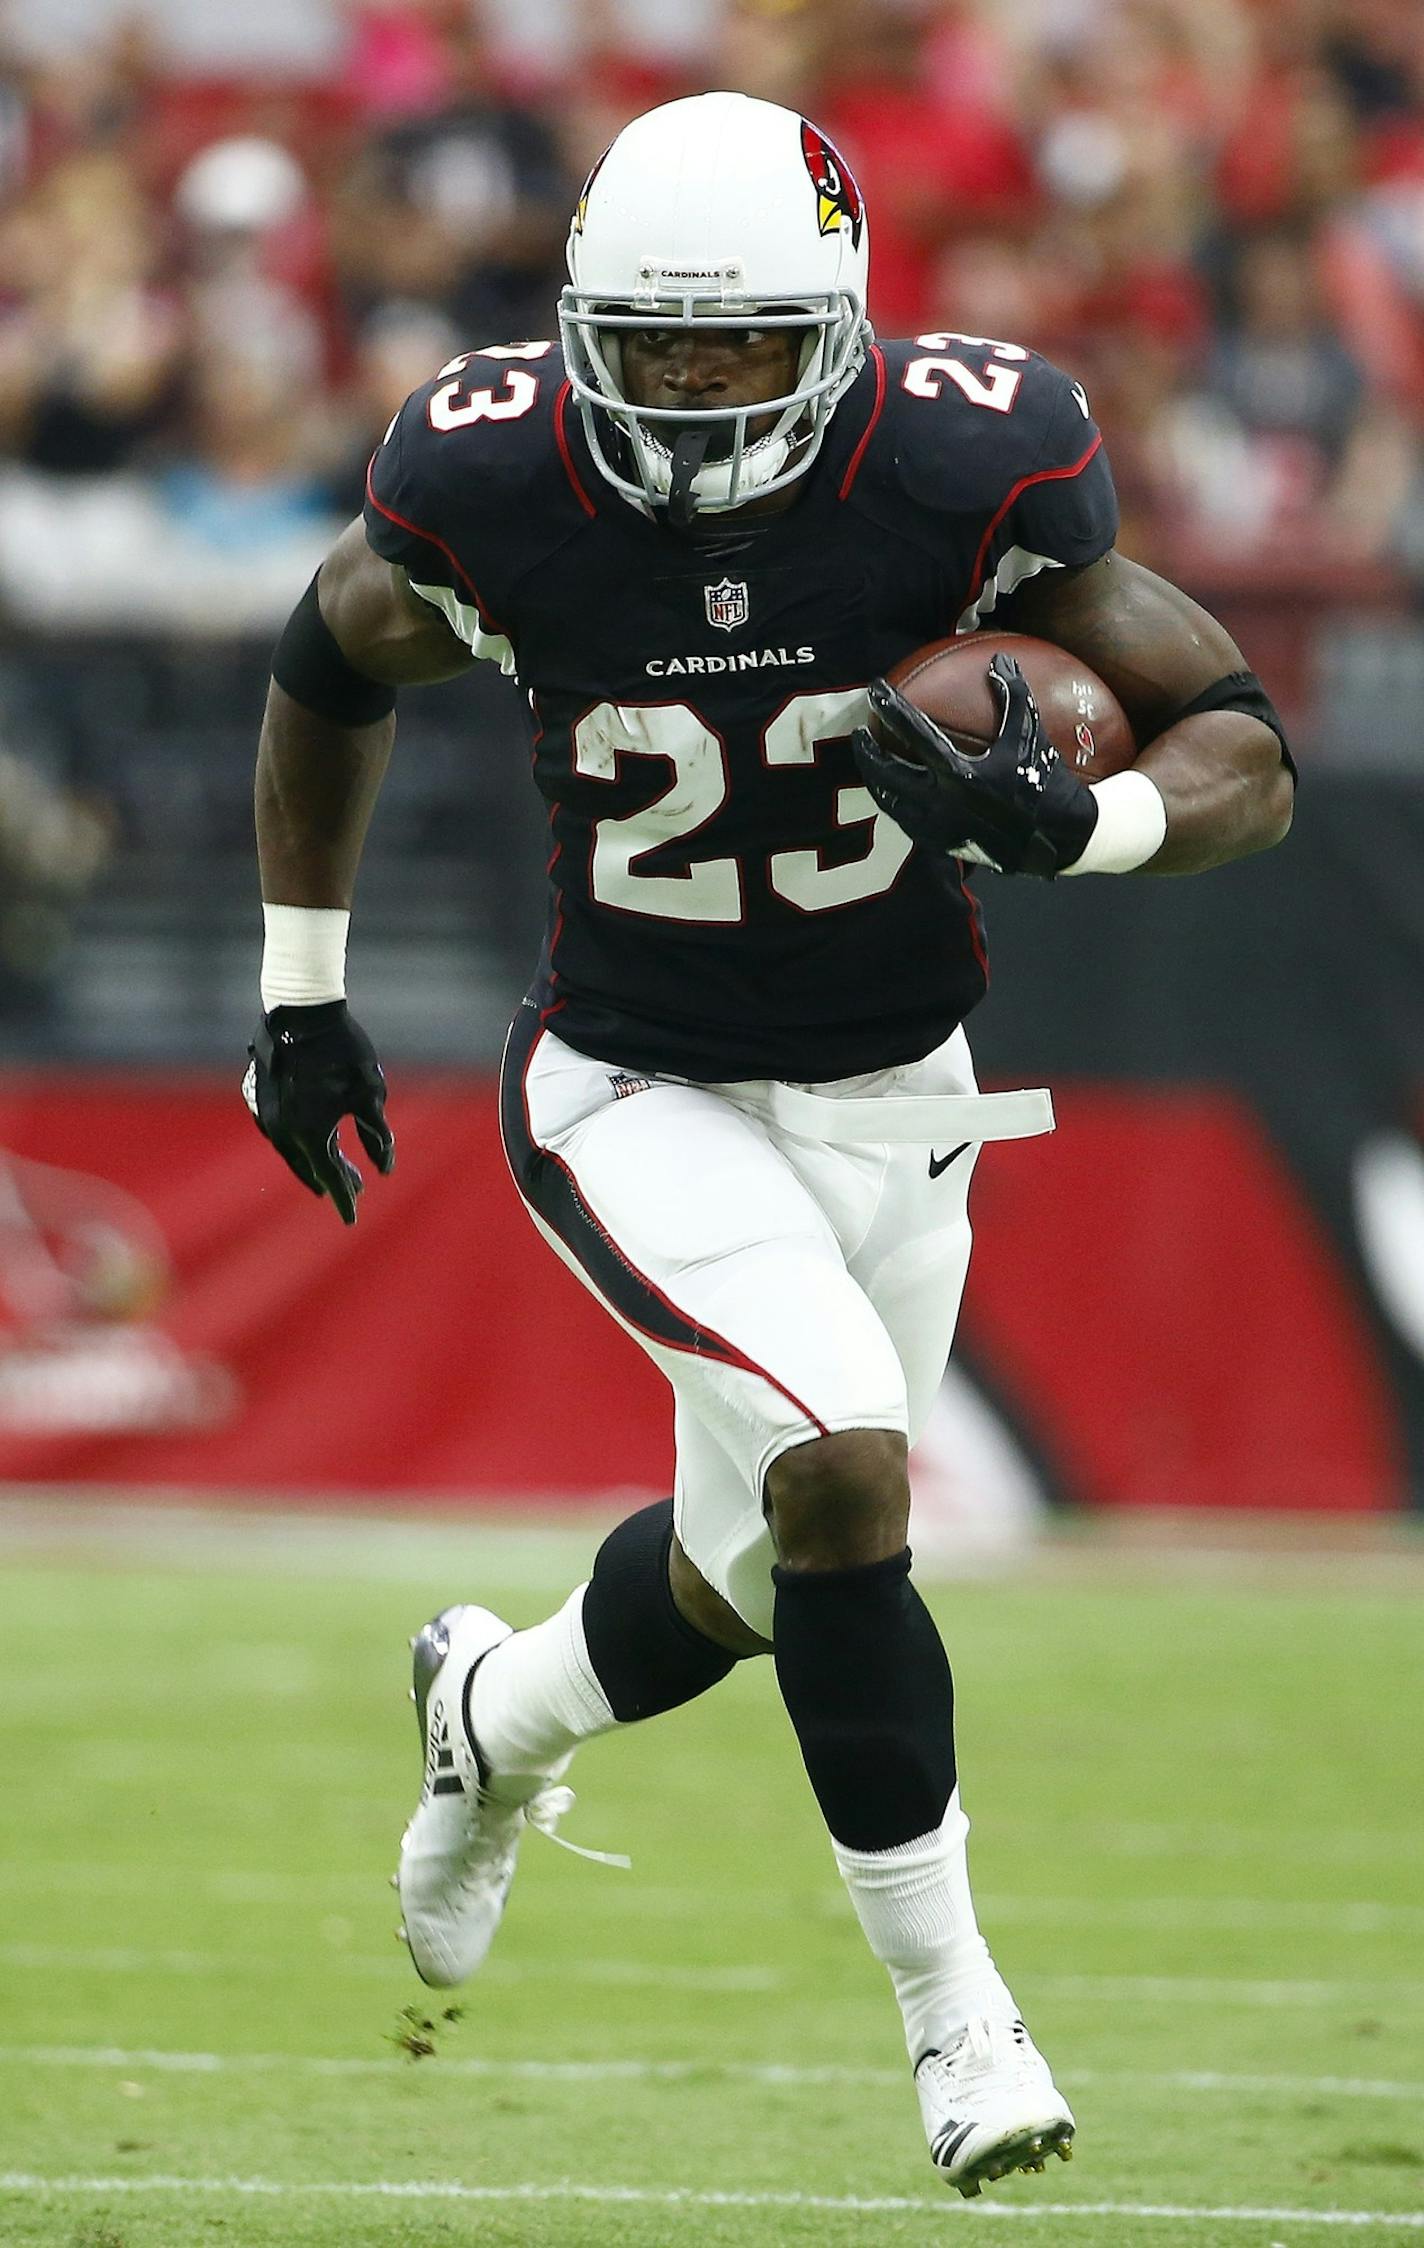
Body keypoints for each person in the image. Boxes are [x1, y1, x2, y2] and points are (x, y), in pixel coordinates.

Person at [242, 91, 1294, 2198]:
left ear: (832, 333)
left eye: (735, 347)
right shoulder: (492, 476)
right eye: (650, 342)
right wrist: (297, 983)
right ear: (577, 323)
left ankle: (497, 1713)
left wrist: (1076, 819)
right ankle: (959, 2021)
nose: (690, 389)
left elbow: (1240, 744)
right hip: (633, 1080)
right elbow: (329, 651)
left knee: (750, 1575)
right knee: (841, 1464)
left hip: (899, 1091)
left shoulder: (956, 460)